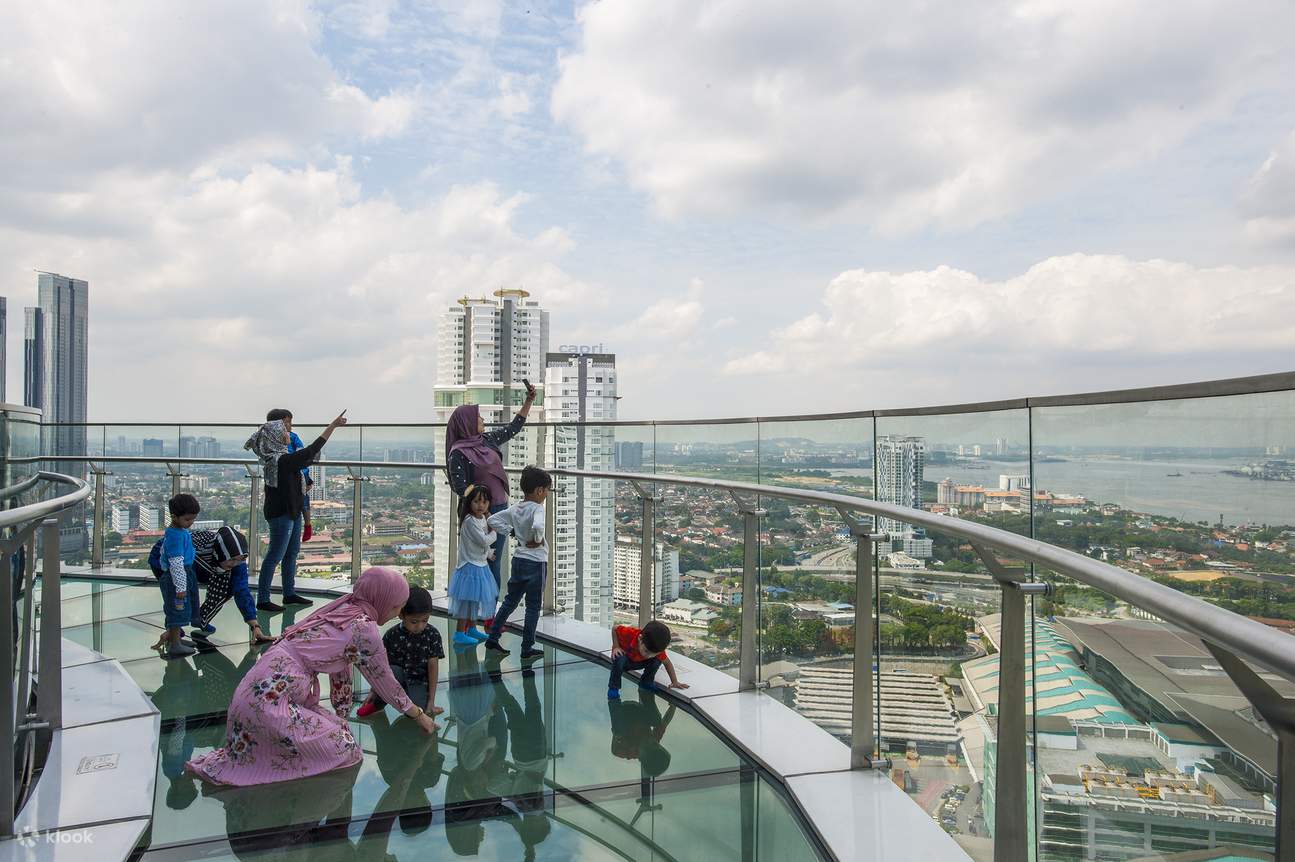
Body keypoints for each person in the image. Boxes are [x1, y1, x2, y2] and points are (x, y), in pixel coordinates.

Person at [185, 566, 437, 786]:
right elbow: (385, 682)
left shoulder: (345, 609)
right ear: (382, 600)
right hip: (270, 704)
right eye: (396, 607)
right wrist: (419, 715)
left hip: (252, 694)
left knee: (339, 732)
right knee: (346, 749)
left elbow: (341, 669)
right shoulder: (364, 628)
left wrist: (341, 717)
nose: (396, 613)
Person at [247, 409, 347, 613]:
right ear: (275, 435)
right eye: (284, 429)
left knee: (291, 553)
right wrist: (332, 427)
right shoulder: (282, 461)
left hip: (290, 510)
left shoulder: (275, 458)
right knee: (275, 555)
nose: (288, 432)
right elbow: (312, 450)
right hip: (282, 512)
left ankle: (289, 593)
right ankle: (263, 599)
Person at [445, 382, 538, 600]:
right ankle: (474, 611)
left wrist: (529, 401)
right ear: (467, 423)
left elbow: (513, 428)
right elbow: (461, 488)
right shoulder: (458, 453)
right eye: (478, 418)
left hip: (499, 508)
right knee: (479, 562)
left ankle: (490, 610)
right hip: (477, 514)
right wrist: (483, 512)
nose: (483, 421)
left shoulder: (486, 440)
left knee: (494, 561)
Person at [482, 466, 551, 660]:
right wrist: (537, 539)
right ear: (539, 490)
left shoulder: (515, 508)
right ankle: (527, 647)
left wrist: (512, 533)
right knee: (533, 606)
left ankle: (493, 638)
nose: (546, 494)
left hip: (519, 559)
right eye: (546, 490)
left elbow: (494, 520)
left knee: (510, 601)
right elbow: (538, 525)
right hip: (536, 563)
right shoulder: (538, 508)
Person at [355, 585, 445, 719]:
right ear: (401, 614)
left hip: (419, 682)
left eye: (425, 620)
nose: (419, 626)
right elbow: (381, 667)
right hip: (395, 679)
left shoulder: (432, 634)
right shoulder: (392, 635)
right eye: (414, 621)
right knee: (391, 670)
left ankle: (415, 702)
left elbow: (433, 667)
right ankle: (378, 704)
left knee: (415, 713)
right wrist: (374, 692)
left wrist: (431, 701)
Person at [193, 527, 274, 645]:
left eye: (239, 559)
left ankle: (200, 618)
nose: (235, 563)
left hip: (211, 567)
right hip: (167, 563)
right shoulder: (194, 551)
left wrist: (255, 626)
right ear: (219, 553)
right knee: (184, 593)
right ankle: (174, 629)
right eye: (232, 560)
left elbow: (242, 590)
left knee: (231, 584)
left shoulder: (237, 560)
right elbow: (177, 590)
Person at [447, 484, 499, 646]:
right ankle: (459, 632)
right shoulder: (469, 521)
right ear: (469, 502)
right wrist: (495, 532)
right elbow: (483, 540)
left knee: (475, 600)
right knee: (466, 602)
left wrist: (489, 553)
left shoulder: (482, 518)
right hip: (469, 566)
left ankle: (472, 628)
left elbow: (481, 544)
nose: (481, 505)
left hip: (480, 565)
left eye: (484, 502)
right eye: (477, 501)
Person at [154, 493, 202, 659]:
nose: (191, 523)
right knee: (177, 610)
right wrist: (180, 586)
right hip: (177, 578)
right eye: (188, 520)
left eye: (193, 520)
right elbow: (175, 563)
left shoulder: (178, 531)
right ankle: (175, 643)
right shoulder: (175, 536)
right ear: (174, 517)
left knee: (183, 608)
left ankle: (177, 640)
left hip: (184, 574)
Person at [607, 619, 690, 700]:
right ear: (640, 639)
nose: (648, 656)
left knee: (658, 660)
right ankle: (614, 688)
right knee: (618, 657)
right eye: (646, 651)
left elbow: (667, 663)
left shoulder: (656, 649)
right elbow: (615, 628)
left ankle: (646, 682)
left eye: (652, 654)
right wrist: (616, 647)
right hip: (625, 662)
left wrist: (674, 682)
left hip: (640, 662)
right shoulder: (630, 633)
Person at [266, 408, 315, 542]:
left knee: (303, 498)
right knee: (299, 498)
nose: (290, 425)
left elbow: (301, 455)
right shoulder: (269, 439)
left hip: (296, 471)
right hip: (284, 474)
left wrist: (306, 477)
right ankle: (305, 524)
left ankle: (308, 524)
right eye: (287, 422)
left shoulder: (292, 437)